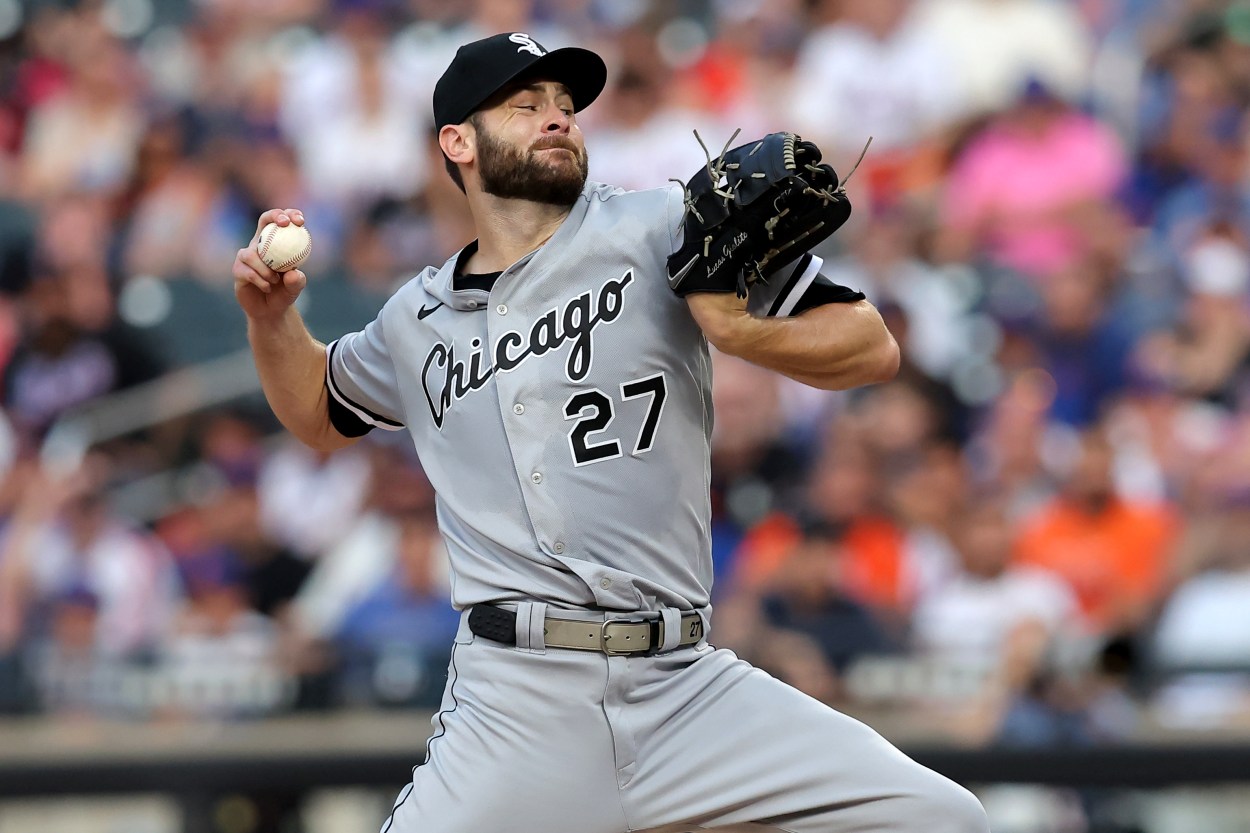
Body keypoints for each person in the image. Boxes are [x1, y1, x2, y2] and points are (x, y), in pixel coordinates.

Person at [232, 31, 988, 833]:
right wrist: (272, 320)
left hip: (686, 685)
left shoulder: (666, 227)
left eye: (566, 106)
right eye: (526, 107)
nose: (557, 119)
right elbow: (319, 409)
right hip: (517, 703)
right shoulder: (413, 321)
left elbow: (871, 345)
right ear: (458, 142)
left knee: (939, 818)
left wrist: (742, 333)